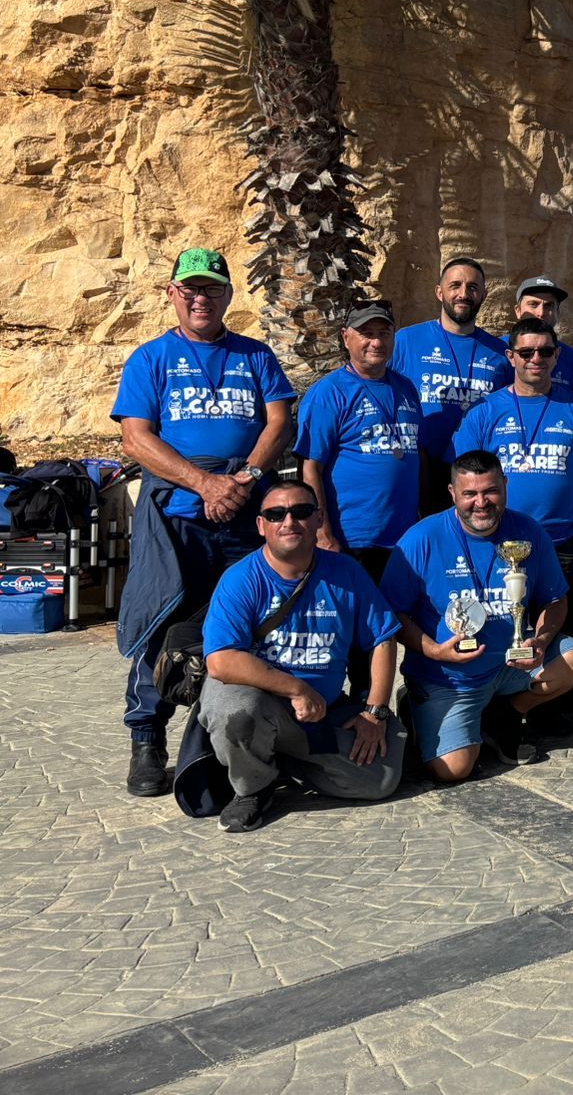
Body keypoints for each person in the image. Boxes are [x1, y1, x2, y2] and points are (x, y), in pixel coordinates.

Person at [113, 246, 296, 797]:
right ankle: (147, 739)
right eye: (190, 289)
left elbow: (279, 421)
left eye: (212, 289)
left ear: (229, 295)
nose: (201, 299)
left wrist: (244, 479)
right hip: (177, 521)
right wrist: (206, 485)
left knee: (245, 625)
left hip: (244, 516)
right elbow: (135, 438)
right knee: (161, 623)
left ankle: (222, 742)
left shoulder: (255, 355)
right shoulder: (150, 358)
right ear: (172, 293)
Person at [197, 479, 405, 831]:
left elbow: (383, 640)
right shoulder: (241, 579)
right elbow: (221, 661)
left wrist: (375, 713)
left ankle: (279, 761)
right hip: (262, 703)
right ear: (261, 525)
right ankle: (253, 789)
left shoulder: (346, 572)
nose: (289, 521)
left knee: (379, 779)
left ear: (319, 518)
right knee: (234, 709)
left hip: (323, 710)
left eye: (301, 511)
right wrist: (296, 688)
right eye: (276, 514)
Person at [380, 452, 573, 782]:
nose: (481, 503)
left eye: (491, 491)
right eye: (470, 494)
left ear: (505, 486)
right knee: (453, 769)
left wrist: (541, 640)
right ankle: (416, 703)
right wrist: (434, 651)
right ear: (452, 492)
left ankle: (507, 713)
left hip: (511, 664)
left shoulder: (529, 532)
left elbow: (555, 599)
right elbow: (394, 613)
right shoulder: (421, 539)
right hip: (450, 676)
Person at [454, 319, 573, 592]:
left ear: (557, 355)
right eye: (526, 352)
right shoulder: (483, 411)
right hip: (499, 541)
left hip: (565, 544)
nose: (536, 359)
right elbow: (464, 483)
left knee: (564, 616)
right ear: (511, 356)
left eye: (545, 351)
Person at [296, 299, 422, 580]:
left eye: (384, 334)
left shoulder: (406, 388)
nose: (376, 342)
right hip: (352, 541)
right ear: (346, 337)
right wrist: (322, 533)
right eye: (367, 334)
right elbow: (310, 468)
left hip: (404, 540)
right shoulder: (329, 393)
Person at [392, 256, 513, 514]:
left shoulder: (499, 353)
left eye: (472, 287)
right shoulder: (406, 341)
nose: (463, 294)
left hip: (477, 477)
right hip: (421, 469)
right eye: (455, 285)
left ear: (484, 295)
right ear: (439, 292)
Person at [511, 275, 573, 395]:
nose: (541, 313)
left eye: (549, 306)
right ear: (518, 310)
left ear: (557, 312)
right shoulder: (496, 350)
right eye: (533, 304)